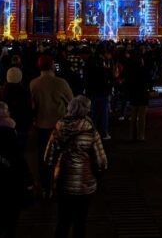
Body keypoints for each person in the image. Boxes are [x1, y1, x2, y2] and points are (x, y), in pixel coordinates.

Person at [44, 95, 108, 238]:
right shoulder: (91, 132)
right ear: (86, 110)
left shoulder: (58, 129)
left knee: (63, 221)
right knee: (80, 222)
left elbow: (48, 158)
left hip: (63, 180)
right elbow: (101, 161)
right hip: (84, 182)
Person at [0, 100, 33, 238]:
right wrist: (28, 180)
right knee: (12, 217)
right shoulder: (10, 132)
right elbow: (18, 159)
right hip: (12, 179)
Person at [30, 55, 73, 199]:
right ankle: (60, 186)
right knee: (60, 156)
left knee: (44, 157)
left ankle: (45, 187)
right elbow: (71, 102)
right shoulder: (61, 83)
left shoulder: (33, 83)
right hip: (58, 124)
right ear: (52, 66)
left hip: (41, 125)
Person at [0, 67, 32, 151]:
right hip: (21, 126)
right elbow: (28, 110)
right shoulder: (24, 93)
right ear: (20, 78)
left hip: (3, 127)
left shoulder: (1, 92)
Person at [122, 52, 150, 142]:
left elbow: (128, 83)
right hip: (142, 96)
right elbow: (147, 82)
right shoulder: (143, 70)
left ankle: (132, 135)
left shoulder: (131, 71)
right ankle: (140, 136)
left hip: (134, 96)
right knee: (141, 118)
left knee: (133, 117)